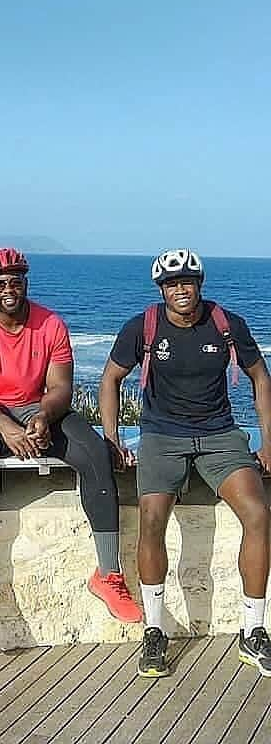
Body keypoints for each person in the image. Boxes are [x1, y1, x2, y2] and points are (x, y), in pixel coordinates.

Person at [0, 247, 141, 637]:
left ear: (25, 282)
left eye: (15, 282)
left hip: (36, 409)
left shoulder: (50, 324)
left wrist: (43, 416)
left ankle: (109, 574)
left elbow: (61, 387)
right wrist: (4, 425)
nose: (8, 290)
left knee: (95, 451)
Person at [100, 248, 271, 679]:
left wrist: (268, 441)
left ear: (200, 284)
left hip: (219, 434)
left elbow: (260, 378)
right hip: (160, 435)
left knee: (258, 515)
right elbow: (110, 379)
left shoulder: (227, 324)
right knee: (152, 520)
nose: (181, 289)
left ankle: (252, 632)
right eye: (172, 283)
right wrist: (112, 439)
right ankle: (154, 630)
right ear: (161, 289)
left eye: (188, 281)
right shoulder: (143, 327)